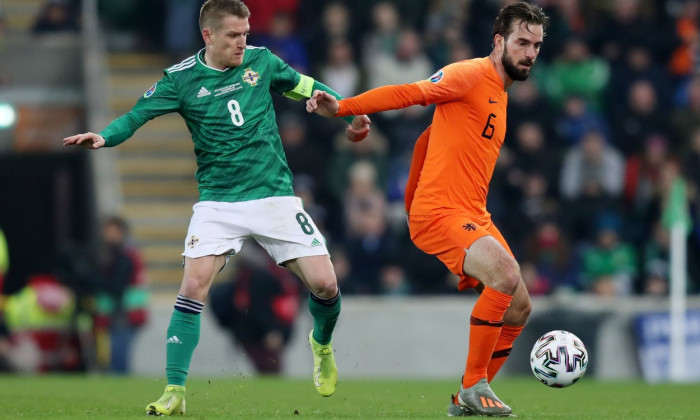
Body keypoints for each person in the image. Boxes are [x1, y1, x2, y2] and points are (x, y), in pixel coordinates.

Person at [63, 0, 370, 416]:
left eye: (245, 34)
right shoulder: (180, 79)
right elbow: (137, 116)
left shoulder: (262, 62)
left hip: (274, 196)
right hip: (218, 203)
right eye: (233, 36)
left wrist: (347, 113)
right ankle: (174, 390)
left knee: (327, 285)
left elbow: (309, 88)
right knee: (192, 288)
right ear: (207, 35)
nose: (243, 42)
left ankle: (321, 343)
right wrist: (105, 136)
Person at [307, 2, 548, 416]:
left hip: (472, 212)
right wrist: (345, 108)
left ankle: (468, 400)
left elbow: (426, 140)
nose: (530, 52)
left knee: (520, 305)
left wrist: (407, 205)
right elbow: (409, 92)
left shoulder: (499, 94)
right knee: (506, 276)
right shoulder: (469, 74)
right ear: (498, 41)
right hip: (443, 212)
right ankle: (474, 385)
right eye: (522, 42)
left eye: (537, 45)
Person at [93, 216, 149, 374]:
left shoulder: (124, 255)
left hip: (125, 311)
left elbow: (117, 285)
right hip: (119, 311)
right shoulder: (112, 253)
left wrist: (94, 280)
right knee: (115, 356)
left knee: (118, 357)